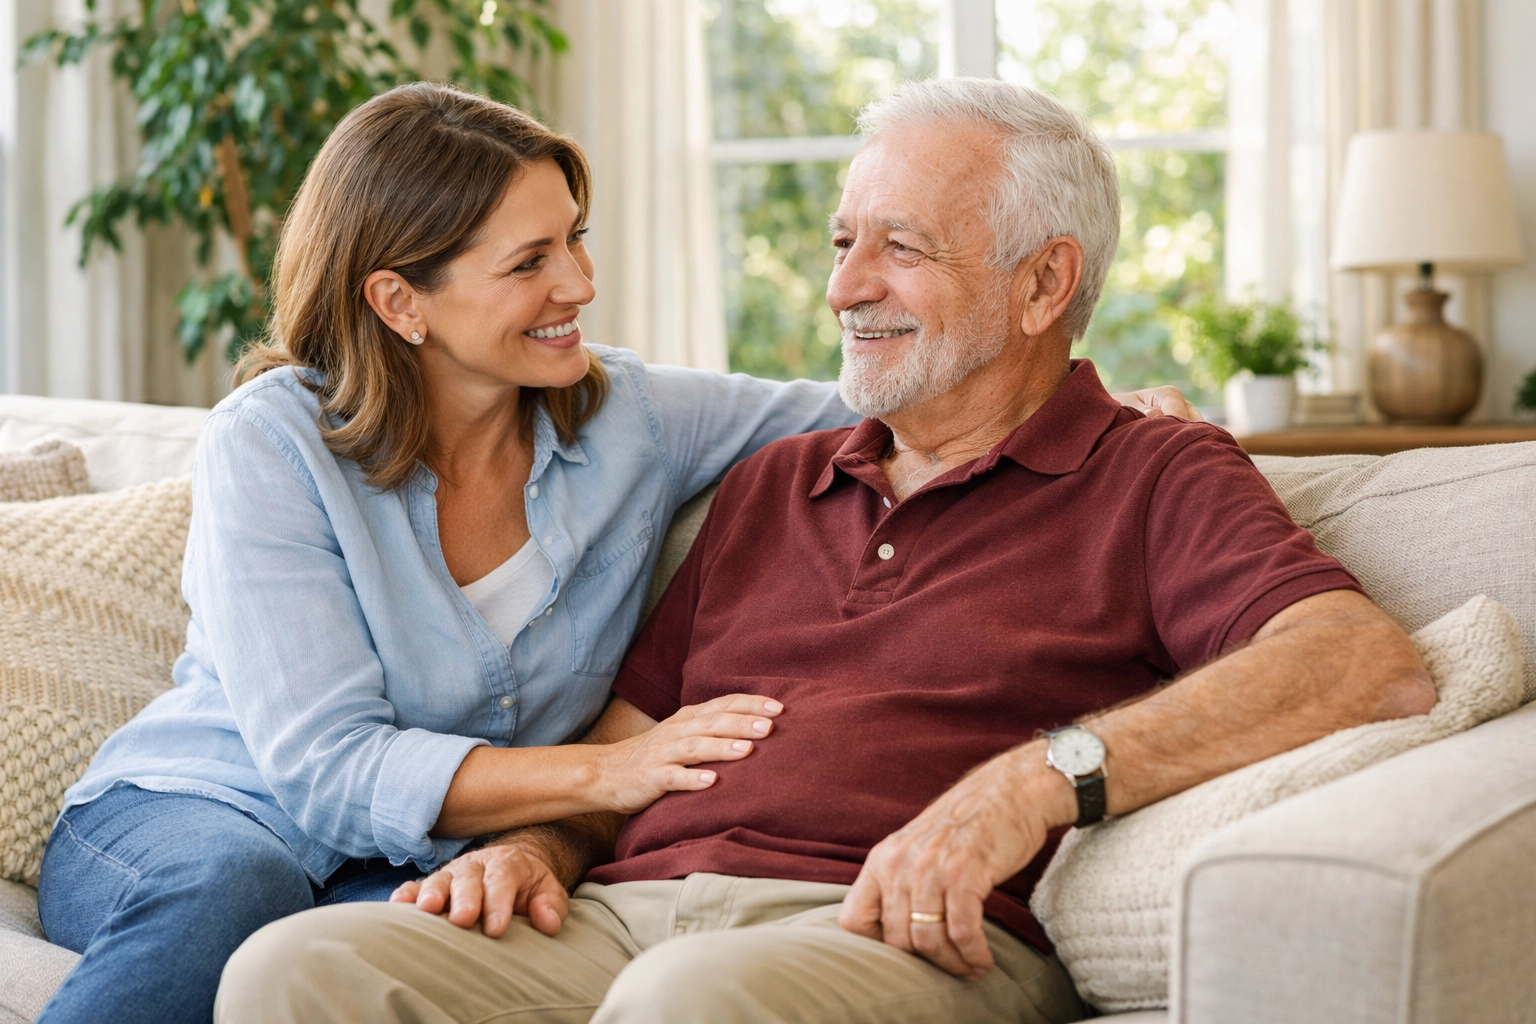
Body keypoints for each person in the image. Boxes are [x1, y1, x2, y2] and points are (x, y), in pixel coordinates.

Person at [215, 77, 1436, 1024]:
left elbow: (1362, 662)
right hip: (627, 912)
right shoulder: (773, 479)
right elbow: (634, 747)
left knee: (683, 1006)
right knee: (299, 967)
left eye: (898, 247)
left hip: (887, 923)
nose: (846, 284)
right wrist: (535, 846)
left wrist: (1032, 781)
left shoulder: (1152, 474)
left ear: (1043, 283)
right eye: (843, 242)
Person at [32, 83, 1195, 1024]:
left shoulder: (630, 416)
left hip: (432, 844)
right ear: (401, 301)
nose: (580, 286)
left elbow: (883, 398)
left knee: (417, 937)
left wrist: (1104, 411)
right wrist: (607, 776)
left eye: (576, 241)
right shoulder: (275, 441)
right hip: (205, 808)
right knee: (241, 895)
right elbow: (326, 770)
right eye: (530, 261)